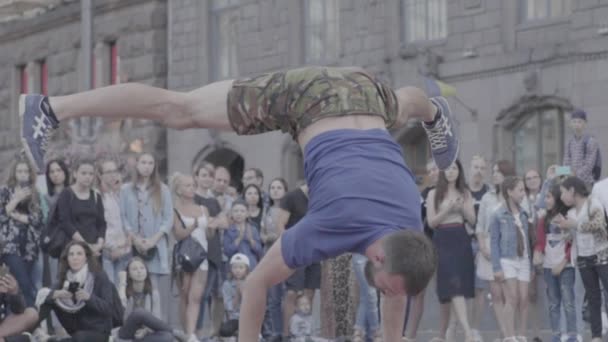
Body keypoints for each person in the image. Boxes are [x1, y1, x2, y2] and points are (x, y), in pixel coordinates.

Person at [19, 66, 455, 342]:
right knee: (180, 109)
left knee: (400, 106)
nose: (382, 294)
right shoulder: (333, 225)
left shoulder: (409, 236)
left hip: (365, 90)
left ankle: (433, 110)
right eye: (381, 286)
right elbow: (256, 286)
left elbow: (397, 303)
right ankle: (50, 108)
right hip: (306, 99)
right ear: (377, 254)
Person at [426, 160, 476, 342]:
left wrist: (461, 207)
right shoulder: (433, 194)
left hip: (460, 237)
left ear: (459, 171)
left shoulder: (465, 192)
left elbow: (472, 220)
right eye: (447, 169)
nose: (451, 172)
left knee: (460, 286)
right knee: (453, 286)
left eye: (454, 168)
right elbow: (431, 222)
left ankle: (452, 333)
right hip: (443, 238)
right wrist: (447, 209)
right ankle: (467, 332)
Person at [558, 176, 608, 342]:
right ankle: (596, 336)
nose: (562, 197)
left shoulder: (593, 203)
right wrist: (566, 232)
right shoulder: (571, 212)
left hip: (602, 256)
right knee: (593, 298)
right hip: (584, 258)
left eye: (563, 192)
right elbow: (574, 235)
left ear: (573, 191)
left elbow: (598, 224)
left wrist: (574, 225)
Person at [37, 241, 115, 342]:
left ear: (86, 257)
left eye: (79, 254)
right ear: (67, 258)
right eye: (71, 254)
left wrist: (89, 298)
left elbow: (108, 309)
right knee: (49, 297)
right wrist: (56, 294)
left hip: (98, 331)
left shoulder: (99, 275)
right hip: (75, 330)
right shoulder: (64, 278)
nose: (75, 257)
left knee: (79, 338)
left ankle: (54, 340)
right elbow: (46, 296)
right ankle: (33, 331)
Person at [475, 160, 515, 339]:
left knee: (510, 295)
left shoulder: (514, 194)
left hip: (511, 248)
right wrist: (483, 246)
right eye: (494, 171)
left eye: (499, 171)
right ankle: (505, 333)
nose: (495, 174)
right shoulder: (487, 197)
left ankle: (508, 332)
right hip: (490, 249)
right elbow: (480, 226)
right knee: (496, 295)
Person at [533, 184, 577, 342]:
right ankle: (556, 335)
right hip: (548, 267)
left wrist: (563, 263)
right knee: (553, 303)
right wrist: (537, 253)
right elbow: (540, 242)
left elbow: (572, 244)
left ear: (558, 198)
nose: (546, 200)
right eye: (545, 197)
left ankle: (572, 335)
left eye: (549, 196)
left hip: (566, 267)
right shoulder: (543, 220)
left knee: (568, 302)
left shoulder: (567, 218)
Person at [490, 176, 531, 342]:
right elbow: (494, 242)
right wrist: (496, 267)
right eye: (520, 190)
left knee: (524, 298)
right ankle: (509, 336)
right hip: (507, 260)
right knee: (512, 297)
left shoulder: (524, 213)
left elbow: (528, 238)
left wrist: (532, 267)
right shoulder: (498, 214)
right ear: (509, 192)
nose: (523, 193)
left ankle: (521, 335)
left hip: (524, 260)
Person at [170, 173, 209, 342]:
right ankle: (187, 333)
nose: (192, 188)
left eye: (193, 185)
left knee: (196, 296)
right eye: (187, 185)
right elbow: (178, 234)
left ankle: (192, 334)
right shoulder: (173, 209)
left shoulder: (203, 208)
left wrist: (214, 225)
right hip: (184, 257)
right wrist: (195, 224)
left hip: (202, 256)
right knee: (185, 295)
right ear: (178, 189)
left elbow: (209, 233)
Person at [0, 157, 43, 307]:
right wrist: (15, 200)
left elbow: (38, 219)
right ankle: (32, 323)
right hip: (10, 246)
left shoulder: (34, 193)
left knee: (27, 284)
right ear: (14, 173)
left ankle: (26, 323)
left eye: (26, 171)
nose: (23, 174)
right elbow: (1, 216)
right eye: (19, 171)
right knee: (24, 284)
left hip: (30, 246)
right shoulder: (5, 191)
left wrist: (16, 215)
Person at [115, 257, 188, 342]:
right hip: (125, 332)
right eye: (134, 269)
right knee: (139, 312)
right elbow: (119, 312)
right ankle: (176, 332)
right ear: (129, 274)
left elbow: (157, 320)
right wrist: (122, 282)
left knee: (167, 336)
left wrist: (145, 331)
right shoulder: (124, 291)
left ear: (146, 271)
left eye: (142, 268)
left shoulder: (153, 294)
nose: (139, 271)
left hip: (142, 335)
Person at [97, 158, 131, 285]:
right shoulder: (97, 196)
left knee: (123, 292)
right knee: (110, 290)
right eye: (108, 172)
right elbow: (100, 226)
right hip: (108, 252)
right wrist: (112, 248)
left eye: (115, 171)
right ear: (100, 175)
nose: (113, 175)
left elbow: (127, 221)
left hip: (125, 250)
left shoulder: (121, 194)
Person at [563, 109, 601, 189]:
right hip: (572, 183)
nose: (576, 124)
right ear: (570, 124)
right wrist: (558, 171)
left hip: (587, 183)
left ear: (585, 124)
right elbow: (566, 162)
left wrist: (575, 175)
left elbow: (589, 166)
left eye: (579, 122)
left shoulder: (591, 141)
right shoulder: (569, 143)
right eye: (574, 121)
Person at [220, 253, 251, 338]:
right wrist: (237, 293)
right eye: (235, 267)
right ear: (231, 269)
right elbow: (229, 308)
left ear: (246, 270)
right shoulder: (227, 284)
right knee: (225, 331)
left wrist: (243, 292)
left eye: (241, 267)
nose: (237, 270)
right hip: (234, 318)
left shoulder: (251, 283)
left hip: (249, 317)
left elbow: (252, 306)